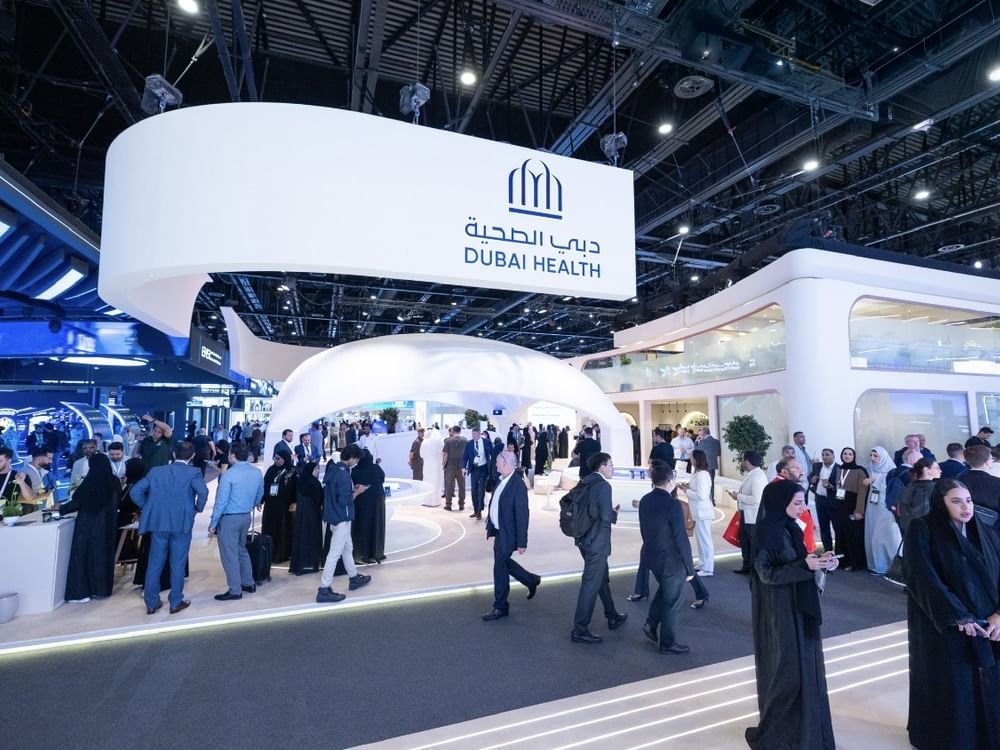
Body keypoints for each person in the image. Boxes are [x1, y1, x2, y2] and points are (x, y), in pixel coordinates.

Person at [903, 479, 1000, 749]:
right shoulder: (922, 528)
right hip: (945, 623)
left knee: (989, 679)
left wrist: (998, 614)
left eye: (968, 500)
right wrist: (958, 615)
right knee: (955, 682)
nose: (965, 507)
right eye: (956, 501)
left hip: (988, 622)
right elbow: (922, 576)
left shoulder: (984, 530)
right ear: (940, 502)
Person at [745, 479, 838, 749]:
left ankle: (806, 731)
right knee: (789, 674)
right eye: (797, 502)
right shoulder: (767, 532)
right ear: (780, 502)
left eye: (803, 501)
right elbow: (766, 574)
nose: (803, 507)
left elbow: (798, 560)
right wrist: (805, 566)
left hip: (798, 606)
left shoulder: (790, 528)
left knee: (805, 668)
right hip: (781, 611)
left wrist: (820, 561)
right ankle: (784, 736)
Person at [130, 441, 209, 615]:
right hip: (182, 524)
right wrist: (197, 509)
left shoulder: (156, 471)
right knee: (178, 563)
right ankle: (175, 601)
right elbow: (203, 492)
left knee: (154, 563)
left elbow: (135, 492)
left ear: (173, 454)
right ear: (192, 456)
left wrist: (148, 507)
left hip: (158, 523)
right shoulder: (193, 472)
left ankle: (151, 602)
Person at [638, 460, 695, 654]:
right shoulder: (673, 505)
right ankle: (667, 643)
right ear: (670, 481)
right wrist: (689, 567)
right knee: (672, 602)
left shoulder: (645, 500)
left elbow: (644, 530)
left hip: (652, 556)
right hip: (671, 560)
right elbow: (680, 537)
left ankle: (651, 623)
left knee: (665, 590)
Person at [571, 452, 627, 644]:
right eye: (610, 464)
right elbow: (605, 516)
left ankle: (612, 615)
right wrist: (613, 513)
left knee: (600, 578)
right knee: (591, 583)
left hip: (584, 539)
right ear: (602, 467)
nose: (612, 468)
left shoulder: (585, 482)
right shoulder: (603, 486)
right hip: (597, 542)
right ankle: (580, 628)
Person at [482, 450, 540, 621]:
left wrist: (522, 542)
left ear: (505, 463)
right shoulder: (502, 480)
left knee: (499, 568)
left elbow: (522, 516)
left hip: (509, 534)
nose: (495, 464)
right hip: (500, 532)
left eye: (497, 462)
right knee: (503, 563)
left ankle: (500, 607)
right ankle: (531, 580)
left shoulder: (517, 485)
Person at [55, 453, 121, 603]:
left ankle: (81, 593)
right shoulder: (114, 481)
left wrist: (61, 509)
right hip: (108, 526)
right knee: (103, 557)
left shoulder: (90, 481)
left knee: (82, 558)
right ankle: (102, 589)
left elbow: (77, 502)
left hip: (88, 525)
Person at [209, 442, 264, 601]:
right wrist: (251, 504)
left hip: (229, 518)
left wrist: (213, 522)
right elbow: (259, 495)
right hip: (246, 516)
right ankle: (248, 583)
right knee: (241, 549)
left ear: (233, 456)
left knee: (229, 554)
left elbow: (221, 501)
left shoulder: (229, 474)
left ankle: (235, 589)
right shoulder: (256, 472)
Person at [316, 443, 371, 603]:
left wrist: (351, 489)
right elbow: (345, 501)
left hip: (333, 516)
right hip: (342, 518)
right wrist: (358, 492)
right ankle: (324, 588)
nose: (357, 462)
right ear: (352, 458)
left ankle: (353, 577)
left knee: (347, 548)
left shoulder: (333, 470)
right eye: (357, 459)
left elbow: (334, 493)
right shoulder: (344, 475)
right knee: (334, 553)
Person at [863, 446, 902, 575]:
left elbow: (891, 489)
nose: (872, 458)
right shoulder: (870, 468)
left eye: (876, 456)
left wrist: (875, 481)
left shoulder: (891, 470)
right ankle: (877, 564)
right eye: (871, 455)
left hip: (885, 507)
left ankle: (893, 565)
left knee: (885, 535)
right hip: (872, 504)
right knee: (872, 532)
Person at [730, 451, 767, 574]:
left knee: (753, 543)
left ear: (747, 461)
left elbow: (757, 499)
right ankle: (747, 566)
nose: (742, 463)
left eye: (743, 460)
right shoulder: (752, 475)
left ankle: (755, 569)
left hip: (753, 517)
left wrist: (738, 496)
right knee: (745, 541)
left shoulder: (757, 477)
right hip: (747, 515)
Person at [834, 447, 869, 571]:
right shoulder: (839, 469)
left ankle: (855, 563)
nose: (847, 456)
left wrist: (859, 511)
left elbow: (862, 492)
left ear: (854, 456)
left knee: (852, 534)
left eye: (850, 454)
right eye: (845, 453)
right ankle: (842, 561)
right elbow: (839, 486)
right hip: (840, 504)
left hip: (853, 504)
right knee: (841, 533)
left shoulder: (860, 470)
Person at [351, 448, 386, 564]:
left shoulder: (355, 470)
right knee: (376, 525)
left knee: (363, 526)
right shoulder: (376, 468)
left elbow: (355, 483)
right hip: (377, 501)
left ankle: (362, 553)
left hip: (362, 503)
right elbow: (382, 478)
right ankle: (376, 552)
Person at [683, 449, 715, 576]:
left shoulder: (702, 475)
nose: (690, 459)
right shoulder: (697, 473)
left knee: (705, 540)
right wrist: (687, 487)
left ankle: (708, 568)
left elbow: (702, 495)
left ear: (696, 459)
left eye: (692, 457)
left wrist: (686, 491)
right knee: (701, 540)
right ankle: (703, 563)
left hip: (702, 512)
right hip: (698, 512)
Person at [289, 461, 324, 575]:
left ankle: (298, 566)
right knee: (312, 539)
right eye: (316, 469)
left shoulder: (300, 482)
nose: (317, 471)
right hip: (313, 516)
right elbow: (320, 500)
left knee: (301, 538)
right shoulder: (315, 484)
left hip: (301, 517)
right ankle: (310, 565)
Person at [261, 453, 296, 563]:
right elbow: (265, 485)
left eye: (278, 458)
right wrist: (261, 499)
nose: (276, 461)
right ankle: (269, 552)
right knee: (269, 528)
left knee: (282, 529)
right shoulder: (271, 470)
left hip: (284, 507)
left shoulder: (292, 471)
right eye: (275, 458)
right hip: (270, 506)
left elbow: (296, 488)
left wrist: (294, 502)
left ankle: (282, 553)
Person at [896, 457, 940, 536]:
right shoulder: (936, 488)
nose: (940, 471)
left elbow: (900, 512)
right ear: (926, 470)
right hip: (929, 532)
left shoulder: (907, 488)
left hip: (908, 531)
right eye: (937, 468)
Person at [807, 448, 839, 553]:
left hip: (832, 501)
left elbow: (842, 487)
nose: (824, 457)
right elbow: (810, 477)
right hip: (820, 499)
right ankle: (827, 550)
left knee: (837, 526)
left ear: (833, 456)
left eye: (827, 455)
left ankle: (839, 549)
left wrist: (832, 487)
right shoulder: (817, 466)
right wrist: (812, 480)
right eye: (823, 455)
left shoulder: (839, 468)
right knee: (823, 526)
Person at [464, 427, 494, 521]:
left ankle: (479, 511)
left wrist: (493, 467)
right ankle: (475, 509)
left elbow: (492, 454)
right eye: (472, 435)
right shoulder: (469, 444)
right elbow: (465, 456)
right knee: (474, 491)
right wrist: (463, 467)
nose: (473, 436)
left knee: (481, 490)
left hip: (483, 469)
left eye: (475, 434)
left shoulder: (487, 442)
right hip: (474, 469)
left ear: (479, 434)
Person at [960, 444, 1000, 515]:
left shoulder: (958, 480)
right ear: (986, 462)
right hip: (992, 520)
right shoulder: (997, 482)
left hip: (965, 519)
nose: (992, 461)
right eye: (991, 458)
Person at [441, 426, 467, 512]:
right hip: (461, 466)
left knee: (449, 486)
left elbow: (445, 454)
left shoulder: (448, 441)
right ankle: (461, 505)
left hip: (450, 466)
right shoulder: (465, 440)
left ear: (452, 431)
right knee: (462, 486)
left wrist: (443, 464)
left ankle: (448, 505)